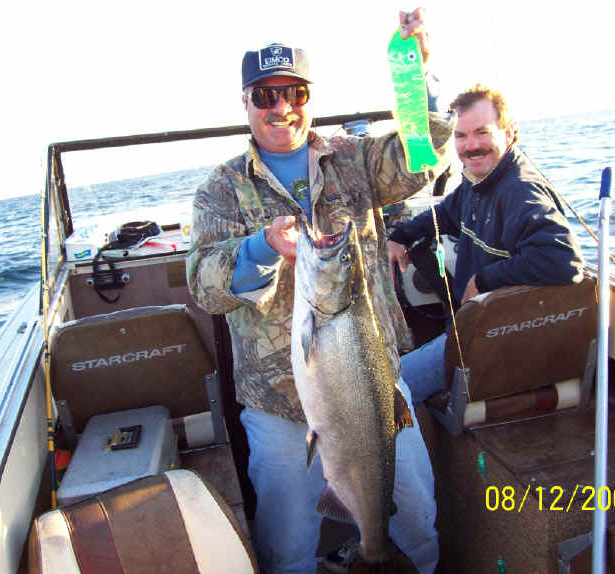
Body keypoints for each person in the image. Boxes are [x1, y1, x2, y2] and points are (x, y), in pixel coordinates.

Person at [185, 8, 455, 574]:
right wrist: (262, 247)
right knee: (288, 549)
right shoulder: (221, 189)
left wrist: (416, 75)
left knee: (417, 520)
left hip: (375, 392)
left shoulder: (354, 159)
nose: (282, 107)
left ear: (309, 97)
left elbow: (422, 156)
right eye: (266, 95)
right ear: (246, 102)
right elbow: (204, 283)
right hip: (276, 406)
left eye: (295, 92)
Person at [387, 84, 585, 403]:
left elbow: (563, 260)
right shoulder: (478, 182)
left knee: (387, 392)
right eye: (461, 136)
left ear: (508, 133)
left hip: (498, 340)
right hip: (472, 325)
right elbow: (445, 213)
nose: (471, 146)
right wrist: (401, 235)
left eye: (482, 132)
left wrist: (484, 280)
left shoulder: (519, 191)